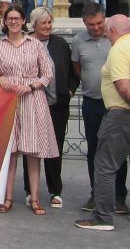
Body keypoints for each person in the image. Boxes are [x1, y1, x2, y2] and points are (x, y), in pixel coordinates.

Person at [0, 6, 58, 216]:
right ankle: (8, 197)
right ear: (4, 21)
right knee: (10, 151)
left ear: (23, 21)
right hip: (8, 100)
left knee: (32, 151)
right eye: (9, 18)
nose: (13, 22)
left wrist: (31, 86)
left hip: (31, 98)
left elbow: (48, 73)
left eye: (17, 18)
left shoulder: (35, 44)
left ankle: (35, 198)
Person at [75, 14, 130, 231]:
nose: (105, 31)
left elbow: (124, 87)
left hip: (120, 114)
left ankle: (103, 217)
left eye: (107, 28)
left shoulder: (118, 49)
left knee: (105, 165)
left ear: (113, 30)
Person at [21, 7, 79, 209]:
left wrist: (70, 91)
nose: (47, 26)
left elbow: (73, 71)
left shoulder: (60, 44)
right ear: (34, 25)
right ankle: (30, 191)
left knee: (55, 148)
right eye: (43, 23)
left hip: (57, 104)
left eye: (49, 22)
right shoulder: (25, 44)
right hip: (31, 104)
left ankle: (55, 190)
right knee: (31, 147)